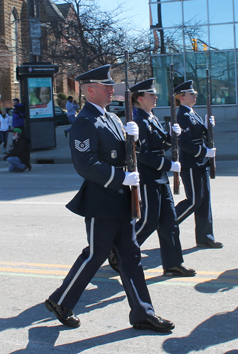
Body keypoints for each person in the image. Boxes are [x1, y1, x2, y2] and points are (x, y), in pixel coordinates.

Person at [45, 65, 174, 332]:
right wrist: (120, 177)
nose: (111, 90)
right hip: (102, 200)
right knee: (96, 254)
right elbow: (85, 163)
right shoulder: (84, 122)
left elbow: (127, 152)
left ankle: (142, 313)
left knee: (131, 257)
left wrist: (134, 140)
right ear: (90, 90)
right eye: (106, 87)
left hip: (123, 200)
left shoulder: (113, 118)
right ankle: (60, 301)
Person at [107, 78, 195, 277]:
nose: (156, 97)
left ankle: (173, 263)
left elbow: (159, 147)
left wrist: (172, 137)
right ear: (140, 98)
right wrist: (168, 165)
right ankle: (118, 250)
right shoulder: (138, 121)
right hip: (148, 179)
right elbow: (142, 155)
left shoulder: (151, 117)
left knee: (170, 223)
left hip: (160, 178)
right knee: (148, 222)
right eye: (151, 95)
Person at [173, 80, 222, 249]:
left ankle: (205, 237)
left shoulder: (193, 113)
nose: (195, 95)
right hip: (192, 163)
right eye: (191, 94)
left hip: (201, 163)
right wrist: (204, 152)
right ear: (182, 97)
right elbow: (185, 143)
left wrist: (208, 127)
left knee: (204, 200)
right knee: (194, 201)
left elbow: (200, 135)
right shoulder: (182, 116)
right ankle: (169, 224)